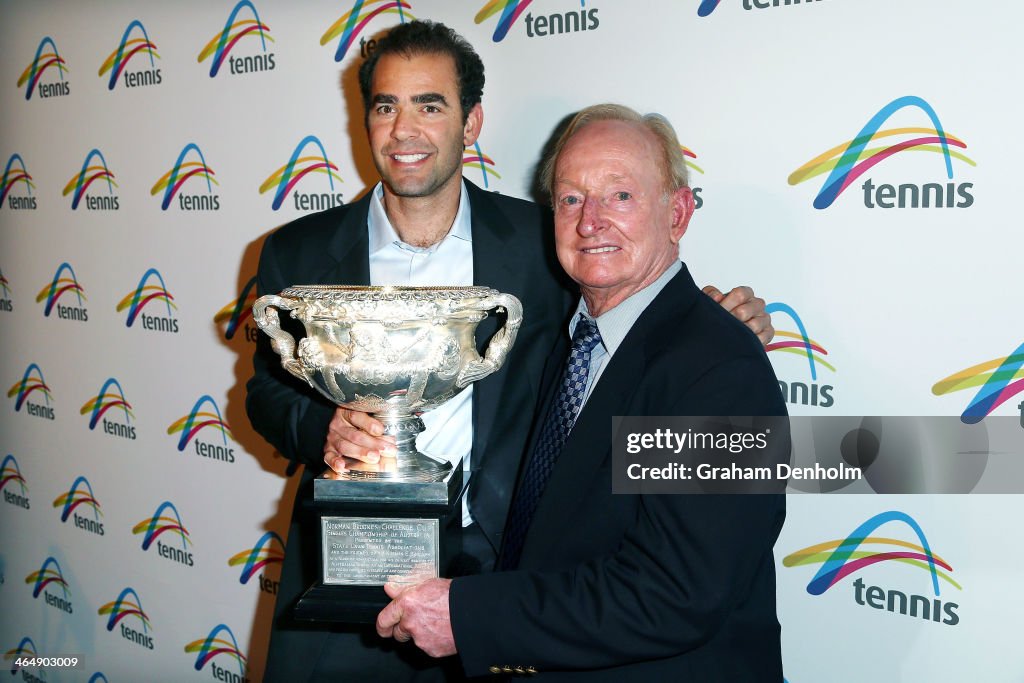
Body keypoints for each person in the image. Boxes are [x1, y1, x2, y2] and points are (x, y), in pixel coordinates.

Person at [246, 21, 773, 682]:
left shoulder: (541, 243)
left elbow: (643, 314)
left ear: (471, 124)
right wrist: (322, 427)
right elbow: (265, 391)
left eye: (430, 105)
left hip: (499, 578)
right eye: (386, 106)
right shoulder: (296, 251)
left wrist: (720, 326)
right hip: (346, 566)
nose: (405, 129)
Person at [375, 104, 787, 681]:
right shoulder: (569, 343)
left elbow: (674, 592)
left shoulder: (717, 369)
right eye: (570, 198)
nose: (590, 221)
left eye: (620, 196)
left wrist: (469, 615)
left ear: (678, 212)